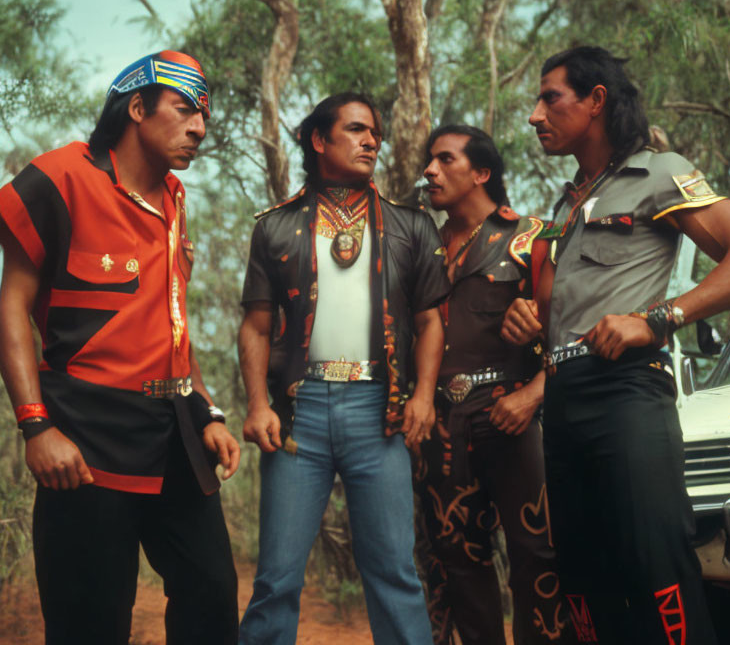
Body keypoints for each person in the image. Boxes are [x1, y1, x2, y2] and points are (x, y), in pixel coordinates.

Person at [502, 46, 730, 645]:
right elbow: (572, 311)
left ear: (595, 101)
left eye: (551, 98)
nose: (535, 114)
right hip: (564, 401)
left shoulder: (658, 171)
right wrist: (533, 322)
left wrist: (660, 318)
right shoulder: (568, 204)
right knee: (581, 579)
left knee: (657, 569)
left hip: (626, 391)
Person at [0, 51, 241, 645]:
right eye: (185, 111)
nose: (199, 130)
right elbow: (10, 307)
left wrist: (207, 410)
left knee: (212, 595)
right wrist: (36, 428)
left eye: (204, 117)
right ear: (137, 107)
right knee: (92, 618)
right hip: (85, 433)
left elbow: (172, 320)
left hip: (177, 432)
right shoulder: (60, 179)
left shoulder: (177, 200)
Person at [238, 92, 449, 645]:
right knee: (277, 577)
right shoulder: (276, 227)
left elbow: (430, 322)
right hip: (297, 416)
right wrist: (259, 404)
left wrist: (423, 396)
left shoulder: (410, 226)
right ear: (319, 139)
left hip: (379, 412)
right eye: (356, 130)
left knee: (394, 573)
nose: (371, 141)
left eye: (374, 133)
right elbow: (257, 326)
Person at [416, 124, 571, 644]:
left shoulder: (535, 237)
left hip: (516, 416)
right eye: (428, 161)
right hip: (441, 424)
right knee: (456, 559)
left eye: (444, 160)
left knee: (539, 554)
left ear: (481, 172)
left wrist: (533, 393)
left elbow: (575, 336)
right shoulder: (423, 248)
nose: (429, 171)